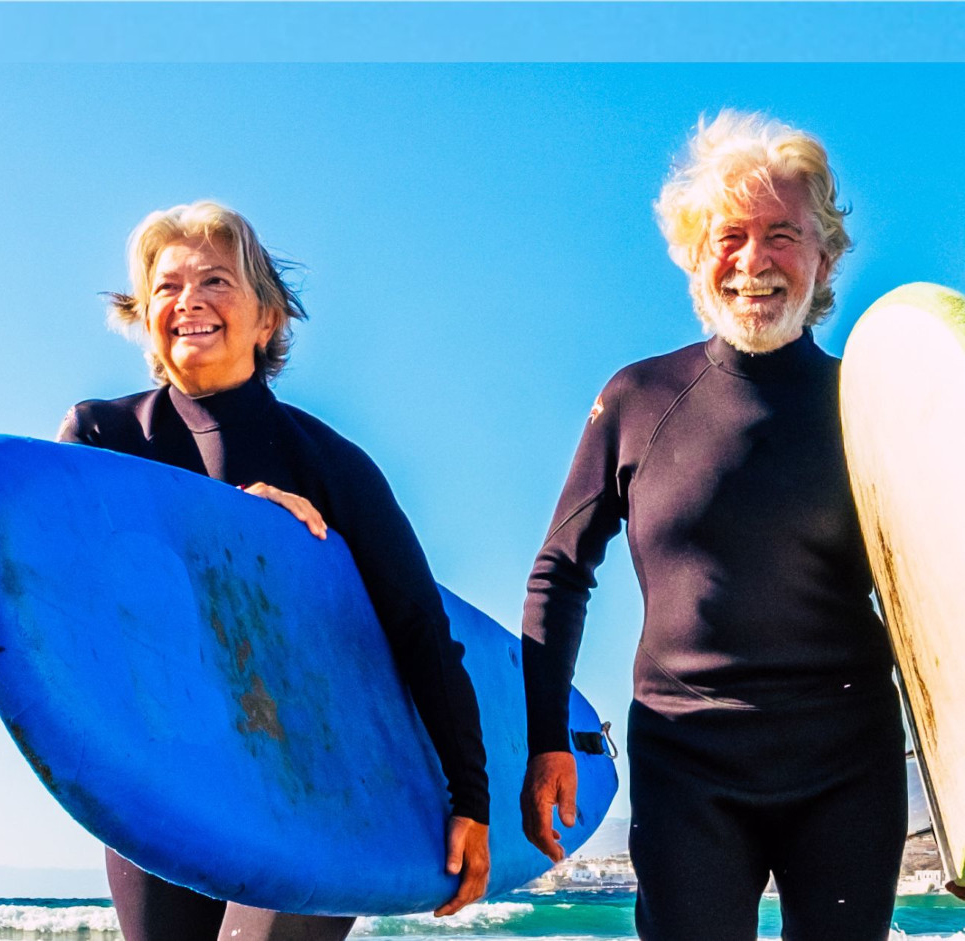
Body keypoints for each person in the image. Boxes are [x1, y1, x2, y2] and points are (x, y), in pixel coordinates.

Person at [520, 111, 908, 941]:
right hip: (686, 759)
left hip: (845, 758)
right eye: (729, 235)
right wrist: (545, 737)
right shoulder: (638, 399)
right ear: (696, 255)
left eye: (782, 234)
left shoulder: (872, 405)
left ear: (826, 255)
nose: (754, 261)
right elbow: (561, 569)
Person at [60, 200, 490, 940]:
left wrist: (470, 799)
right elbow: (64, 604)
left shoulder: (330, 466)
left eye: (216, 281)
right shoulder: (102, 439)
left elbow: (419, 630)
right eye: (166, 287)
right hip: (165, 775)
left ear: (268, 318)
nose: (188, 301)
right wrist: (230, 535)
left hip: (318, 776)